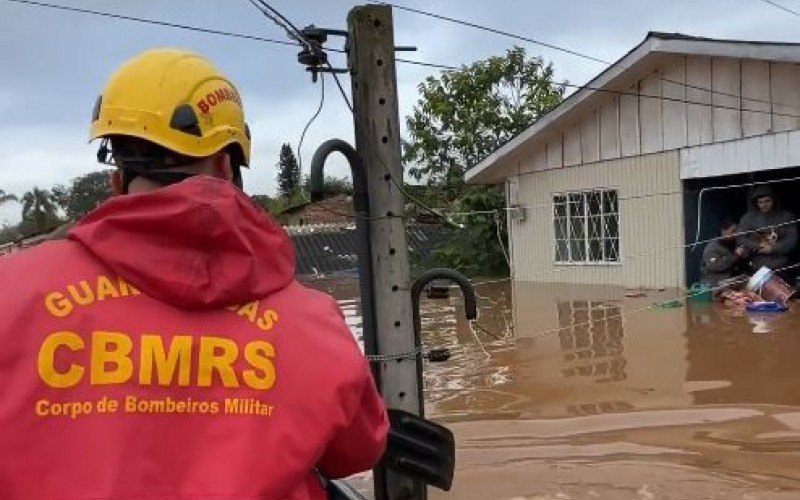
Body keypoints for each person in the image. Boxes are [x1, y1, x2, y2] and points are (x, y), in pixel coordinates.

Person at [0, 49, 388, 499]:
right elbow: (359, 450)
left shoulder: (11, 293)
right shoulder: (314, 324)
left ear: (117, 179)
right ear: (227, 166)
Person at [736, 185, 797, 272]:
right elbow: (741, 238)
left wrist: (773, 248)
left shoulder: (786, 217)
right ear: (756, 203)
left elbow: (792, 239)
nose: (764, 205)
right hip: (757, 264)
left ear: (774, 200)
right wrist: (758, 245)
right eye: (760, 202)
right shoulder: (748, 218)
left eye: (767, 201)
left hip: (782, 263)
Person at [701, 218, 742, 288]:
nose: (736, 234)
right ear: (723, 231)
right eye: (733, 231)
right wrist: (735, 257)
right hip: (714, 285)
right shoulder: (713, 247)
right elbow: (714, 265)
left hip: (730, 284)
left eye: (737, 230)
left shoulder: (733, 243)